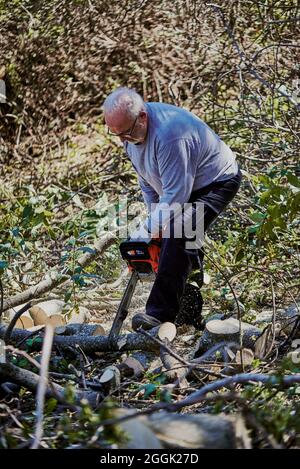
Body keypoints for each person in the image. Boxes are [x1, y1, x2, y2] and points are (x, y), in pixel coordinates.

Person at [103, 87, 242, 331]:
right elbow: (148, 181)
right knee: (183, 240)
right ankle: (188, 316)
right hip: (183, 184)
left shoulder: (171, 135)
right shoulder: (131, 134)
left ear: (142, 117)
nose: (122, 141)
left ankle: (159, 315)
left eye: (125, 133)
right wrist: (154, 222)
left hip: (216, 182)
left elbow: (177, 196)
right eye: (116, 134)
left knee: (180, 231)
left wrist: (148, 230)